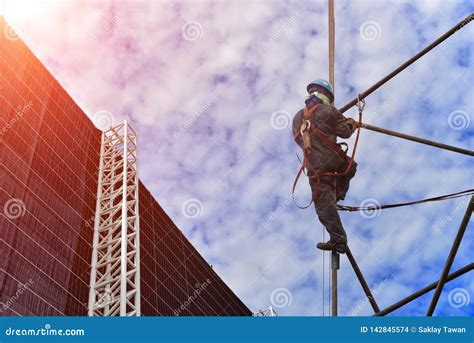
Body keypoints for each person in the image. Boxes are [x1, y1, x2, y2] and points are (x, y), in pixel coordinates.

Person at [292, 79, 357, 253]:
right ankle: (337, 195)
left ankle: (338, 238)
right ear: (326, 96)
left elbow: (299, 140)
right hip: (333, 159)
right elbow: (345, 132)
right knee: (350, 166)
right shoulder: (329, 110)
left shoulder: (297, 117)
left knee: (323, 204)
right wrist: (351, 122)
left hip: (315, 166)